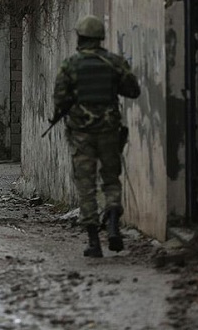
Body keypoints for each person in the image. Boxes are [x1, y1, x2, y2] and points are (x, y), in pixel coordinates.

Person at [50, 15, 141, 258]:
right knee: (111, 178)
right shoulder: (114, 62)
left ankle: (94, 242)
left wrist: (73, 102)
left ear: (80, 37)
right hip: (109, 131)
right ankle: (112, 221)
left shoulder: (70, 65)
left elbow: (59, 99)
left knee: (86, 185)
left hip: (82, 134)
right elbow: (133, 90)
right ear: (100, 37)